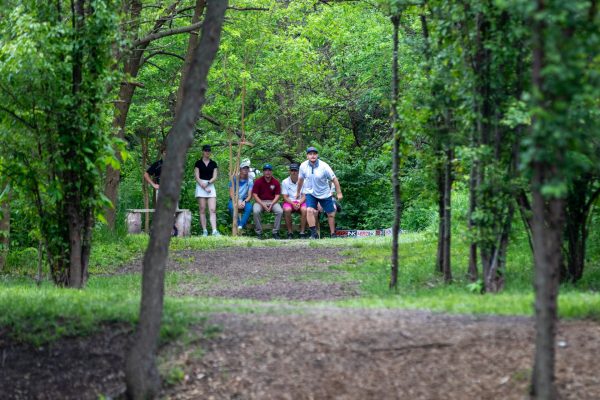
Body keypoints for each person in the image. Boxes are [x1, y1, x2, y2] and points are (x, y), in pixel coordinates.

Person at [296, 146, 343, 239]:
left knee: (331, 214)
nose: (312, 156)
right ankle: (314, 234)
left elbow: (334, 179)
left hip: (324, 193)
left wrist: (339, 193)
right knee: (309, 210)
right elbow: (300, 180)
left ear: (317, 155)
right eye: (310, 154)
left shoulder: (324, 166)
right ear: (307, 156)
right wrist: (297, 192)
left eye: (314, 154)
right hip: (310, 192)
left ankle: (333, 234)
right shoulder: (303, 166)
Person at [143, 146, 178, 236]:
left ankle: (172, 231)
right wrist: (153, 184)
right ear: (162, 153)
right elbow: (146, 174)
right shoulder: (157, 164)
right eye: (165, 152)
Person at [252, 163, 283, 239]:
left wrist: (272, 204)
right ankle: (259, 233)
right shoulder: (258, 181)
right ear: (263, 172)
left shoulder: (276, 182)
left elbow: (277, 195)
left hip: (272, 201)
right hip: (260, 201)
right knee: (256, 211)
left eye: (269, 170)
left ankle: (275, 232)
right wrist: (262, 204)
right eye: (265, 170)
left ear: (271, 172)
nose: (267, 172)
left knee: (280, 211)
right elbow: (255, 195)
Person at [194, 144, 219, 236]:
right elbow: (196, 176)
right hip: (200, 185)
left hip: (210, 185)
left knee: (212, 209)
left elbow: (215, 176)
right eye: (206, 150)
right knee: (202, 209)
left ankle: (214, 230)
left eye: (209, 150)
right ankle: (204, 230)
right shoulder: (198, 163)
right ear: (203, 151)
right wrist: (203, 185)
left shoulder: (213, 163)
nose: (207, 152)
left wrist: (208, 183)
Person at [281, 162, 307, 239]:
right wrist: (293, 203)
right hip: (290, 201)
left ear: (298, 171)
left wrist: (299, 203)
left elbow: (305, 195)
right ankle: (290, 232)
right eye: (292, 170)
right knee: (287, 209)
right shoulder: (285, 181)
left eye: (295, 170)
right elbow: (285, 197)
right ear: (289, 171)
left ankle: (302, 232)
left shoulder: (304, 181)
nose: (294, 172)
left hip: (301, 201)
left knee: (305, 209)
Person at [228, 159, 254, 230]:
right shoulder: (234, 179)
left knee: (249, 208)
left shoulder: (250, 181)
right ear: (240, 169)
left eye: (247, 168)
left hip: (245, 199)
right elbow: (231, 193)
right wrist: (236, 201)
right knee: (231, 207)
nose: (245, 170)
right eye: (244, 168)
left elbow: (249, 195)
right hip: (234, 199)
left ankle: (240, 226)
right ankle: (238, 224)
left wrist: (244, 202)